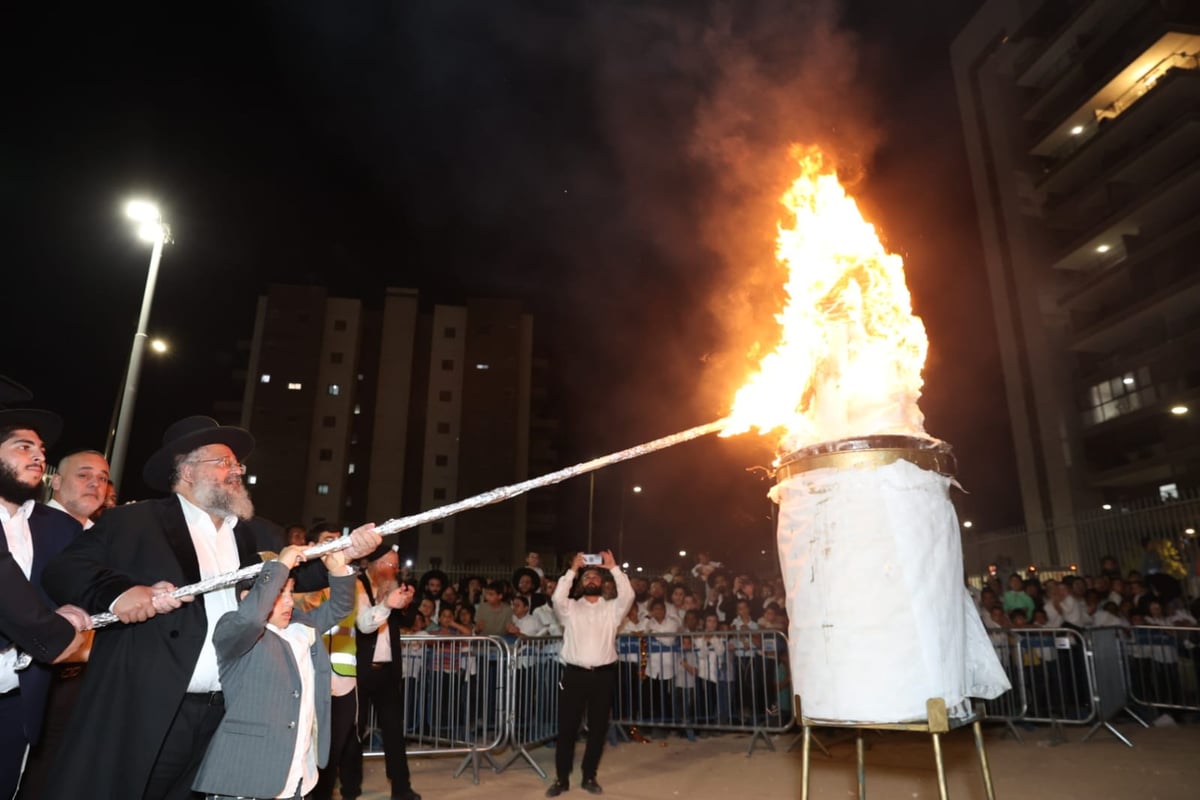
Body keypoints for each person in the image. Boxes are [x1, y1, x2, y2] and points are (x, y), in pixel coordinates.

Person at [41, 415, 382, 800]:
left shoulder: (260, 532)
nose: (236, 471)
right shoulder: (134, 521)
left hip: (228, 714)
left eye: (238, 465)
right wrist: (121, 593)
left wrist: (344, 556)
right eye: (224, 463)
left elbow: (300, 577)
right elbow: (63, 570)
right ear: (187, 471)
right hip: (148, 709)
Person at [192, 542, 356, 799]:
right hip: (246, 778)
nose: (290, 601)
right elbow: (251, 619)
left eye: (291, 590)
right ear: (248, 597)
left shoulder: (301, 627)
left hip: (298, 776)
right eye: (280, 592)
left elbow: (341, 607)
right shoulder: (233, 630)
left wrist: (338, 569)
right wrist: (280, 566)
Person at [0, 405, 90, 798]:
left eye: (40, 450)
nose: (38, 456)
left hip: (18, 702)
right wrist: (61, 629)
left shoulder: (59, 528)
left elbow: (93, 579)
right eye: (23, 447)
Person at [20, 451, 110, 797]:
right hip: (36, 673)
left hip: (82, 678)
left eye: (102, 478)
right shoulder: (30, 525)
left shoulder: (101, 535)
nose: (95, 483)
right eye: (83, 475)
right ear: (55, 482)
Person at [546, 551, 634, 797]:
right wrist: (573, 570)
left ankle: (589, 776)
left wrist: (614, 568)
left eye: (596, 576)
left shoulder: (613, 610)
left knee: (597, 729)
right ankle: (561, 779)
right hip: (574, 675)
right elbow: (556, 598)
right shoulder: (570, 609)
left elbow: (628, 595)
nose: (592, 580)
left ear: (603, 582)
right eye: (587, 577)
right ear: (581, 584)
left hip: (603, 676)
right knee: (567, 728)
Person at [356, 548, 421, 800]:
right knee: (354, 732)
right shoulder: (357, 585)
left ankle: (401, 788)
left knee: (394, 731)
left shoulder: (394, 586)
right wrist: (384, 602)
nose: (394, 570)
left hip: (387, 672)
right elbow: (362, 625)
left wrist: (406, 603)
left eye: (396, 566)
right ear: (374, 564)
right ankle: (350, 787)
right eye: (390, 565)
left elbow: (408, 621)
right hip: (360, 672)